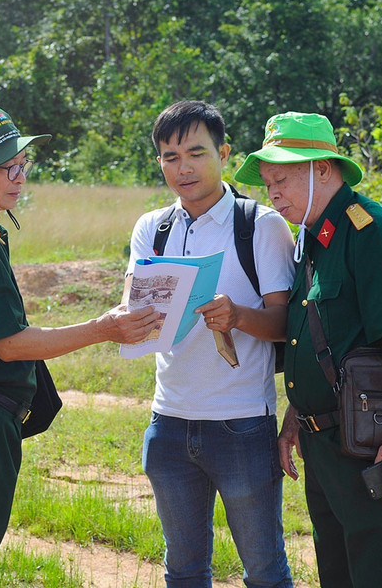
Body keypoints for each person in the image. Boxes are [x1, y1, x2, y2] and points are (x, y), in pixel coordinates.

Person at [0, 104, 160, 588]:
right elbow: (8, 344)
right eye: (7, 166)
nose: (19, 177)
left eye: (22, 164)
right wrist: (105, 327)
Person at [233, 111, 382, 587]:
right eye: (266, 182)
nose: (272, 192)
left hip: (373, 444)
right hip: (323, 443)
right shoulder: (314, 236)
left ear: (323, 167)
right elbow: (320, 338)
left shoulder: (373, 232)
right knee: (338, 574)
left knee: (381, 573)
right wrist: (297, 414)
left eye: (281, 178)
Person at [124, 100, 296, 587]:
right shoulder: (151, 228)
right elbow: (138, 316)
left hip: (242, 424)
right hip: (168, 422)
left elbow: (286, 323)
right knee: (182, 570)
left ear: (223, 153)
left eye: (196, 153)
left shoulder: (259, 225)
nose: (183, 168)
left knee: (264, 571)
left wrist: (239, 316)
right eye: (169, 156)